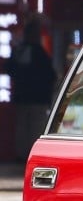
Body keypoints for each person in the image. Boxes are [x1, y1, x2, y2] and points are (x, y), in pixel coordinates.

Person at [8, 17, 56, 162]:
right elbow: (50, 75)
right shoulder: (39, 52)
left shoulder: (19, 51)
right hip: (38, 98)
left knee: (22, 127)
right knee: (36, 127)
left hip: (21, 96)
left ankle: (21, 155)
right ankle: (33, 155)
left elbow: (10, 68)